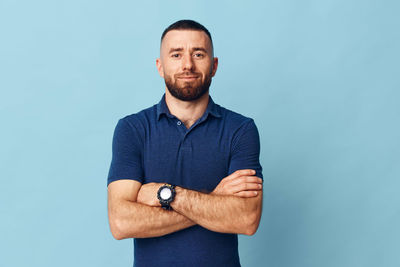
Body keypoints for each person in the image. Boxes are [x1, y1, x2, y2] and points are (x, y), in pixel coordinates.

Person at [107, 19, 264, 267]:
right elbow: (121, 223)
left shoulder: (240, 130)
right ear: (160, 66)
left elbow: (246, 219)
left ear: (214, 66)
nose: (187, 64)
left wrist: (167, 195)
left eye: (198, 54)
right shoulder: (132, 129)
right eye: (176, 54)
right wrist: (214, 199)